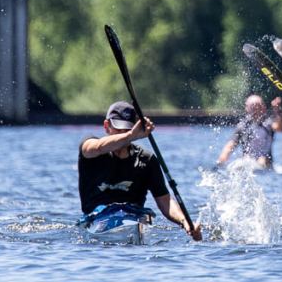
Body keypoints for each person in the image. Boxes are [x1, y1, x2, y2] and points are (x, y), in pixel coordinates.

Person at [78, 101, 201, 240]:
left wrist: (185, 222)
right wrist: (131, 135)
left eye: (128, 129)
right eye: (119, 129)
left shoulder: (146, 160)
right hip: (96, 218)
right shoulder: (90, 148)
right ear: (106, 126)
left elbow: (165, 201)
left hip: (134, 218)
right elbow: (98, 147)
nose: (123, 133)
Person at [216, 94, 282, 169]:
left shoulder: (268, 123)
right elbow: (230, 146)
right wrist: (220, 163)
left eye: (258, 106)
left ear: (263, 107)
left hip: (265, 163)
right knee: (243, 161)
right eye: (253, 106)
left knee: (262, 160)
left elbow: (280, 128)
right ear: (247, 108)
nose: (256, 109)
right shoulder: (242, 126)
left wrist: (278, 111)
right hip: (248, 162)